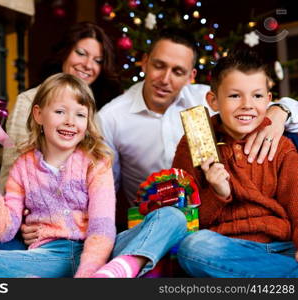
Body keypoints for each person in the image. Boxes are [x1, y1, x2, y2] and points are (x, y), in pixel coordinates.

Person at [98, 28, 298, 214]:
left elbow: (262, 105)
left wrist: (281, 112)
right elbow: (105, 189)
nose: (165, 79)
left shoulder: (213, 98)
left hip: (213, 209)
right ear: (144, 62)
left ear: (191, 76)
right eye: (159, 66)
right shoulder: (111, 117)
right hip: (155, 215)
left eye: (178, 72)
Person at [0, 73, 117, 278]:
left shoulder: (96, 162)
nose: (70, 122)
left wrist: (86, 275)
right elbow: (4, 231)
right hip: (46, 256)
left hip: (89, 253)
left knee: (157, 222)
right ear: (38, 114)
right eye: (60, 111)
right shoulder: (23, 167)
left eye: (80, 115)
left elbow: (102, 228)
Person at [172, 49, 298, 277]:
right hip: (224, 248)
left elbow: (296, 203)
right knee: (192, 248)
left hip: (281, 247)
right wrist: (217, 193)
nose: (247, 105)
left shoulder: (280, 146)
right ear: (213, 101)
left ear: (269, 100)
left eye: (257, 96)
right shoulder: (194, 142)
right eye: (234, 96)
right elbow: (184, 220)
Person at [0, 22, 121, 189]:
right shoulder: (29, 101)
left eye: (98, 61)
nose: (88, 65)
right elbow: (12, 171)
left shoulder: (93, 112)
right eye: (81, 53)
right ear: (65, 53)